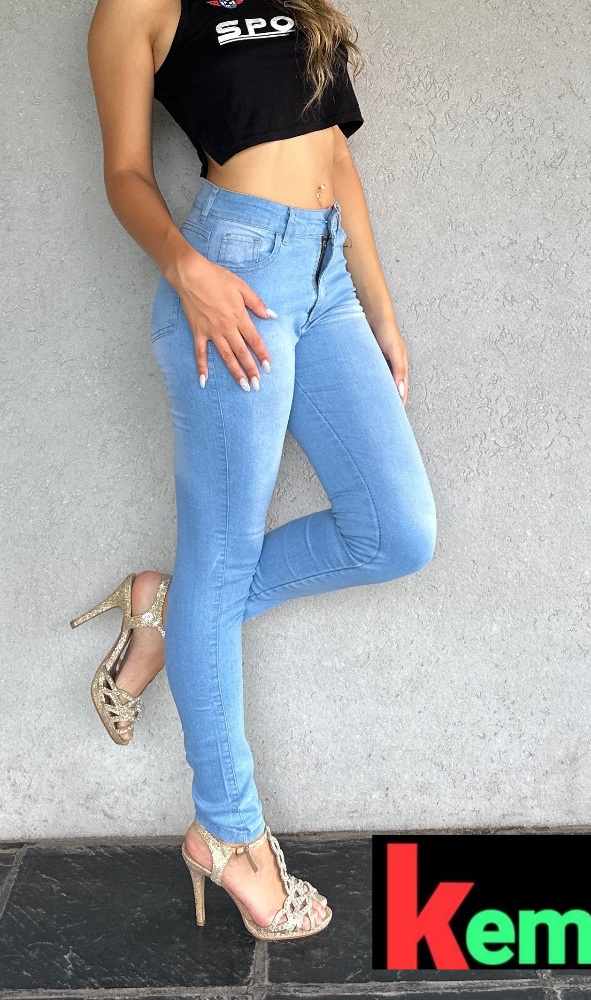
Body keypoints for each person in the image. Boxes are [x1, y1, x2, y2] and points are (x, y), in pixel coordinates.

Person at [73, 0, 437, 943]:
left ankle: (168, 610)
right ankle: (227, 833)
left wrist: (381, 308)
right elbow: (123, 172)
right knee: (222, 553)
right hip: (233, 273)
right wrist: (187, 271)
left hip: (326, 280)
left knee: (396, 531)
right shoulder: (140, 7)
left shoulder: (294, 2)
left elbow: (335, 159)